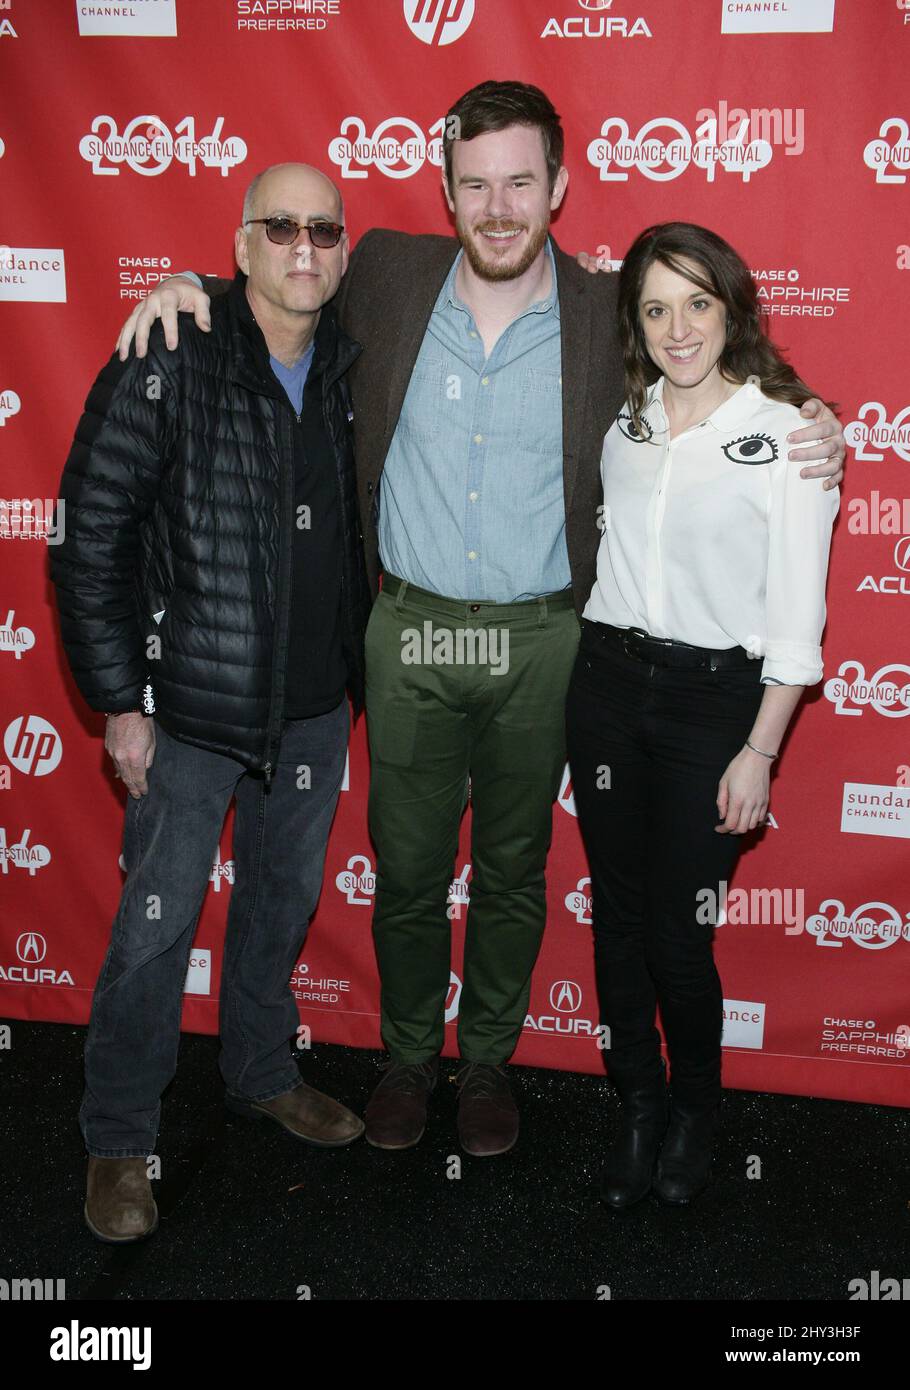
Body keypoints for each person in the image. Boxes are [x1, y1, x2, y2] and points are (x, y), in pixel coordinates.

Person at [114, 82, 846, 1160]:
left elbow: (719, 378)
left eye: (519, 182)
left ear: (557, 185)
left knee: (512, 867)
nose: (497, 207)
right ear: (445, 191)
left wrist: (813, 417)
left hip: (546, 641)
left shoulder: (612, 315)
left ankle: (490, 1058)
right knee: (405, 867)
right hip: (407, 633)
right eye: (474, 185)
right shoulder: (390, 275)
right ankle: (411, 1056)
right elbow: (278, 276)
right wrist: (185, 281)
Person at [51, 163, 370, 1243]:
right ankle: (116, 1134)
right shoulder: (169, 351)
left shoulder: (347, 360)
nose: (303, 246)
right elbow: (89, 537)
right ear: (240, 247)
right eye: (279, 226)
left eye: (323, 229)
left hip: (317, 705)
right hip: (185, 707)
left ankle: (260, 1071)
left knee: (279, 907)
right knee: (155, 929)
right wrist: (119, 704)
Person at [565, 222, 840, 1209]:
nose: (677, 327)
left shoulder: (791, 436)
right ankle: (637, 1105)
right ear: (635, 325)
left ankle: (696, 1113)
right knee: (618, 919)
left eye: (696, 303)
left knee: (679, 933)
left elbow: (797, 622)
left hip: (715, 706)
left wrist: (758, 749)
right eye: (654, 307)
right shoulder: (626, 421)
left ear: (730, 308)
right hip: (602, 687)